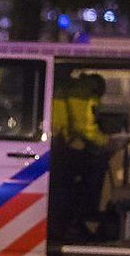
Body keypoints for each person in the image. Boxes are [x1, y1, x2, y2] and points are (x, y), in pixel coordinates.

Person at [50, 72, 117, 242]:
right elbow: (83, 126)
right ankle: (78, 221)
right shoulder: (84, 91)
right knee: (92, 170)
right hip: (57, 142)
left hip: (57, 141)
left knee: (73, 177)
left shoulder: (74, 88)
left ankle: (72, 223)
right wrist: (105, 142)